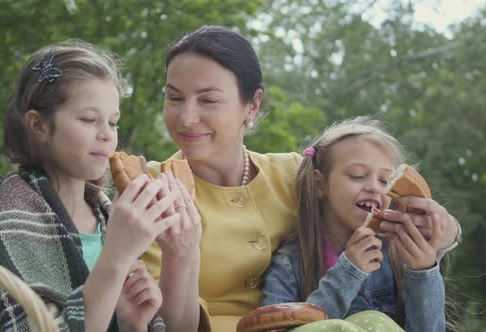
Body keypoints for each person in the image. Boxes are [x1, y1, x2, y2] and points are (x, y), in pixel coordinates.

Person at [142, 26, 462, 332]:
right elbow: (159, 321)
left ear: (252, 105)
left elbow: (374, 201)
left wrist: (446, 234)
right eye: (174, 98)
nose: (186, 117)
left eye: (208, 100)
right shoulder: (149, 189)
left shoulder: (294, 174)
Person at [0, 40, 188, 331]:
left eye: (113, 122)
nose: (107, 136)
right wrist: (117, 256)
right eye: (89, 119)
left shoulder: (106, 214)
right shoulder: (10, 219)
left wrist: (132, 324)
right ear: (38, 125)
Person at [261, 117, 451, 331]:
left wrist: (423, 272)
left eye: (385, 181)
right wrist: (348, 272)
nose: (374, 188)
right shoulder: (289, 262)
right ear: (319, 184)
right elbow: (275, 327)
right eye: (358, 176)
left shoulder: (394, 256)